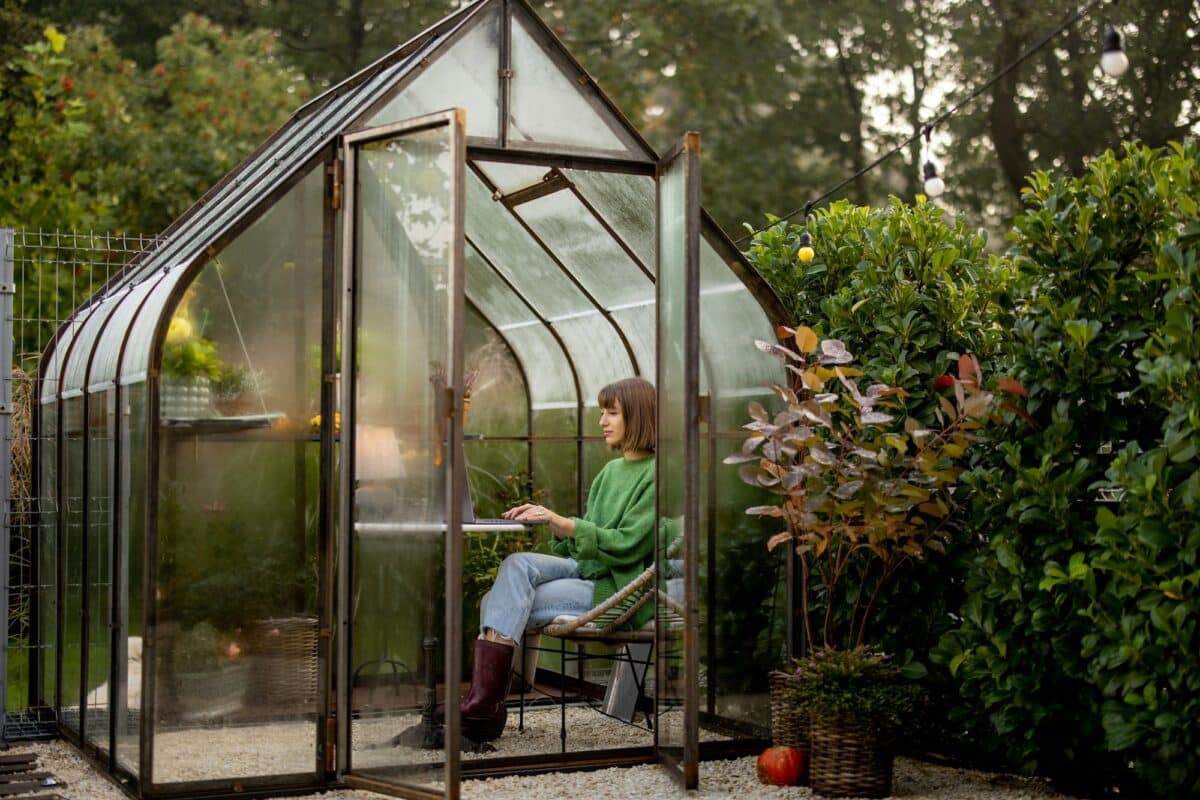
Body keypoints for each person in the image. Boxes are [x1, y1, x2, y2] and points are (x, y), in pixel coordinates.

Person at [459, 376, 657, 743]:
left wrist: (563, 522)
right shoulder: (610, 472)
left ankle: (482, 706)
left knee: (493, 601)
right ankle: (483, 704)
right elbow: (579, 546)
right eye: (602, 412)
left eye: (612, 412)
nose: (602, 421)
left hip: (615, 584)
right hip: (588, 569)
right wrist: (550, 522)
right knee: (516, 564)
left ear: (639, 416)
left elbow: (627, 544)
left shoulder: (657, 475)